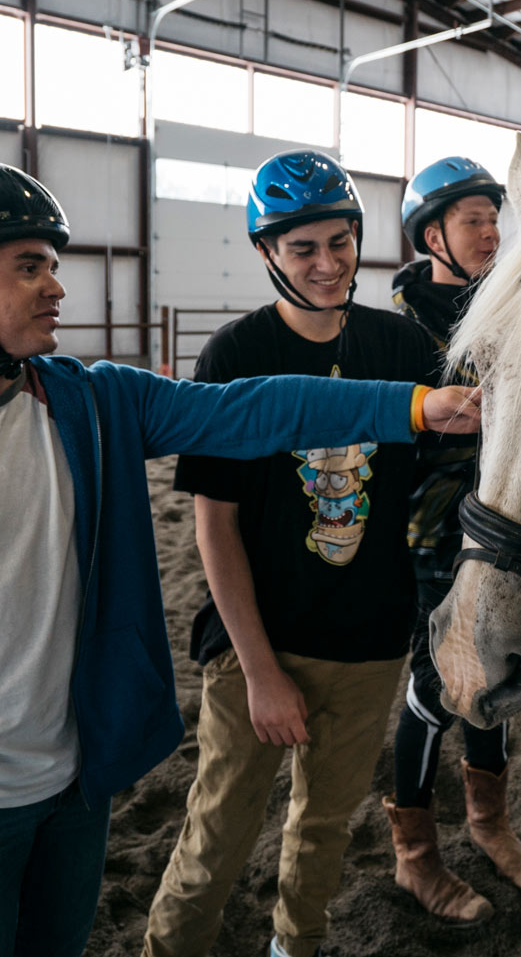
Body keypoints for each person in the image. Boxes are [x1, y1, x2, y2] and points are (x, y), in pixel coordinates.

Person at [0, 158, 479, 957]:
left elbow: (252, 407)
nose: (56, 286)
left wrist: (414, 404)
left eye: (53, 265)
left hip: (75, 793)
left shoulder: (92, 406)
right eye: (29, 266)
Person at [143, 151, 444, 957]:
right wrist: (262, 672)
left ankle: (294, 947)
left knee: (323, 833)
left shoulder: (406, 350)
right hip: (258, 647)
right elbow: (216, 527)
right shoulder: (235, 356)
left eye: (340, 242)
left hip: (372, 642)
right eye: (303, 247)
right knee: (215, 840)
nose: (326, 263)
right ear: (266, 252)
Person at [383, 157, 521, 924]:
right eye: (472, 219)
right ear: (430, 235)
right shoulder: (398, 326)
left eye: (493, 216)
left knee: (500, 664)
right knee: (434, 683)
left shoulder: (516, 306)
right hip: (430, 528)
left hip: (508, 517)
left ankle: (489, 821)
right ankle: (415, 853)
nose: (490, 231)